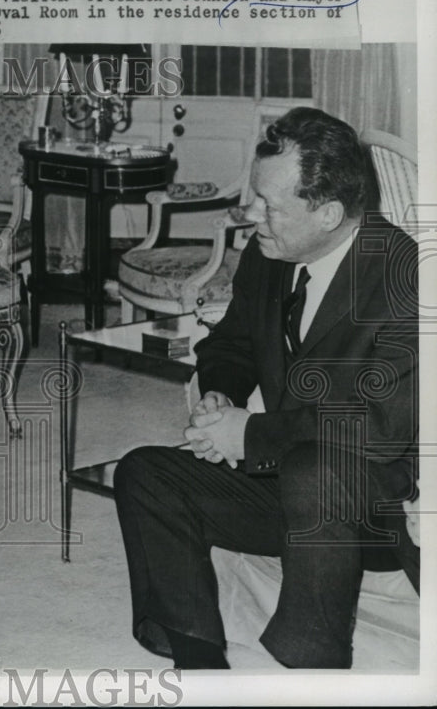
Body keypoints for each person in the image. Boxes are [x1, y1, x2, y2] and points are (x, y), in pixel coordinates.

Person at [114, 107, 419, 669]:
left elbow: (381, 428)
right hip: (283, 481)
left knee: (313, 470)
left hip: (374, 510)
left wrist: (249, 435)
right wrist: (221, 398)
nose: (250, 214)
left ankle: (311, 670)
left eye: (269, 205)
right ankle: (201, 665)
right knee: (144, 474)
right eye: (255, 196)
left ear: (328, 213)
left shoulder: (407, 278)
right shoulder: (272, 250)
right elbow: (230, 345)